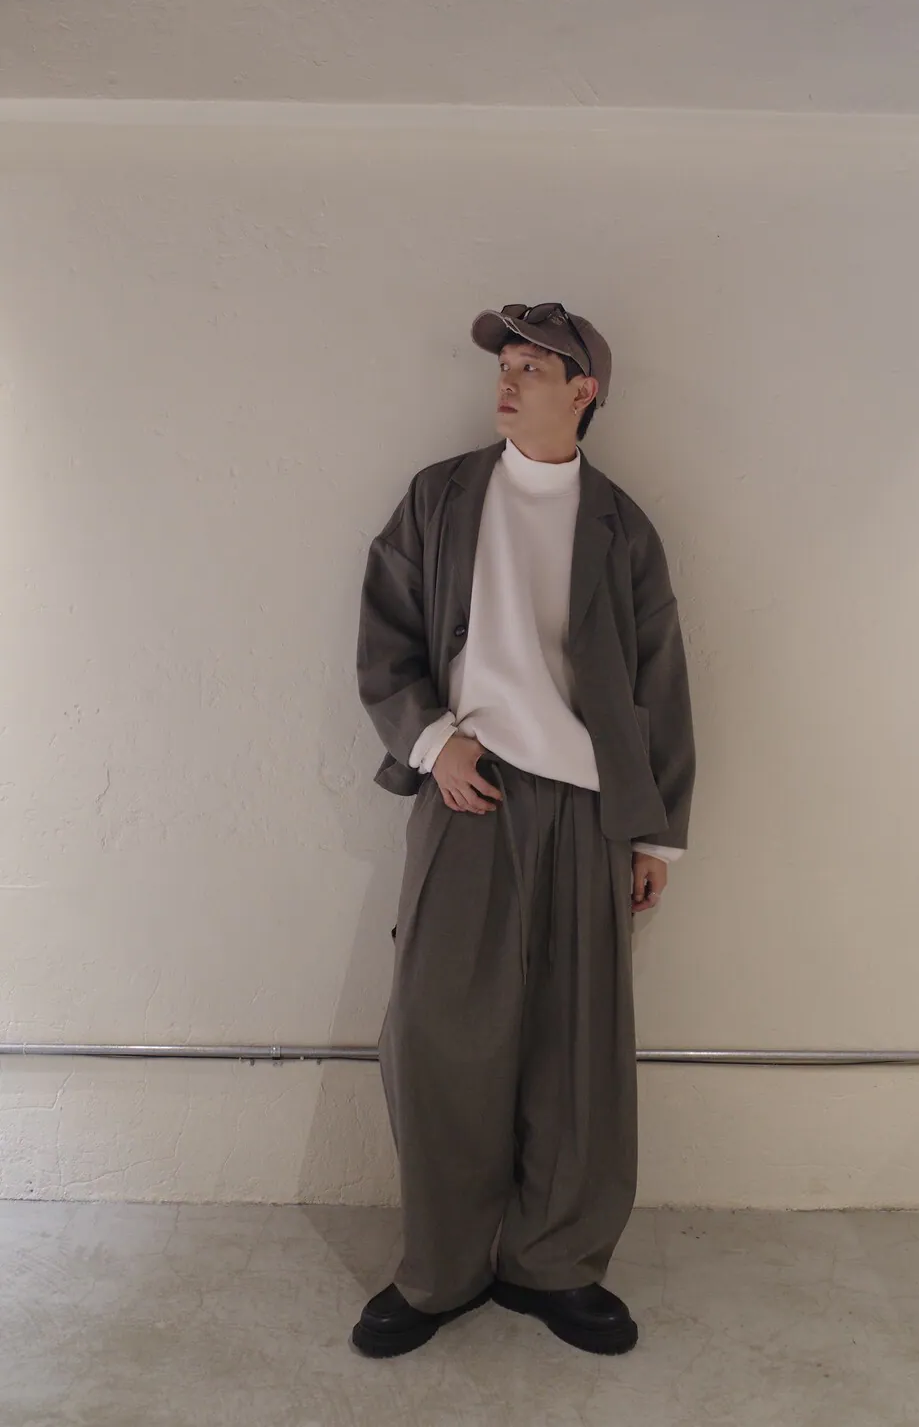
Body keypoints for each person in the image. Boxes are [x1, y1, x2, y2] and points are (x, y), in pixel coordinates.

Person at [353, 302, 695, 1359]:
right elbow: (386, 636)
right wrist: (434, 741)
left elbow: (659, 682)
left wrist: (655, 835)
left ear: (583, 390)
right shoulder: (442, 497)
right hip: (471, 795)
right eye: (503, 365)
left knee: (578, 1047)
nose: (506, 382)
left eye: (532, 367)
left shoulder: (620, 526)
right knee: (438, 1035)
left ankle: (554, 1265)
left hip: (590, 813)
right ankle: (440, 1268)